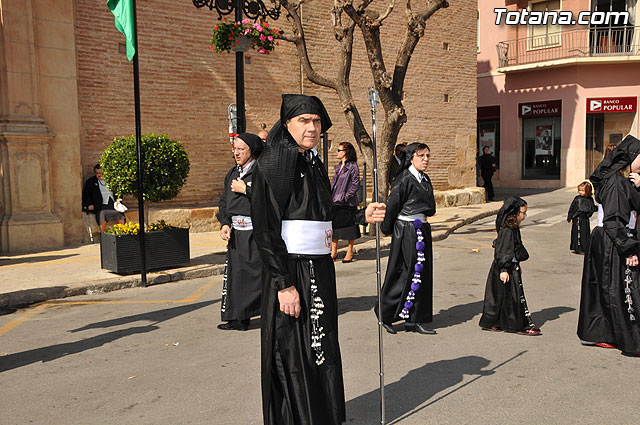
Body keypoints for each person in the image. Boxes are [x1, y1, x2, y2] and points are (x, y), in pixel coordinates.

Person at [250, 94, 385, 425]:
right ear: (287, 125)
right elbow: (265, 231)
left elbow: (325, 213)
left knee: (321, 347)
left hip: (320, 269)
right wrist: (283, 285)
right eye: (303, 120)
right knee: (293, 353)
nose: (312, 127)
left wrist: (361, 214)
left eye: (316, 121)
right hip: (291, 270)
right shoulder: (272, 166)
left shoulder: (314, 162)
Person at [578, 135, 640, 356]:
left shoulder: (622, 180)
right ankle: (607, 334)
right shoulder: (615, 182)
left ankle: (604, 333)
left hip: (613, 239)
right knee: (612, 289)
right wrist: (629, 248)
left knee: (608, 289)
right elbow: (614, 220)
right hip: (612, 240)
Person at [377, 143, 437, 335]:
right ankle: (385, 315)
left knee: (421, 274)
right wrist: (386, 228)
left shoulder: (425, 178)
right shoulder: (403, 179)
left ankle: (414, 318)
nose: (426, 159)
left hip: (422, 229)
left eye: (428, 156)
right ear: (411, 158)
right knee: (402, 272)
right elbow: (392, 205)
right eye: (421, 156)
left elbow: (431, 207)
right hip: (406, 230)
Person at [216, 133, 264, 331]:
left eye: (240, 149)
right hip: (237, 233)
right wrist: (225, 223)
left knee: (256, 277)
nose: (236, 153)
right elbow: (224, 201)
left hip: (256, 233)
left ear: (251, 150)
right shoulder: (232, 173)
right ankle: (238, 318)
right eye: (234, 149)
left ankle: (264, 312)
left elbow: (270, 199)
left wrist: (247, 190)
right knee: (237, 277)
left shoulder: (262, 172)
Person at [479, 197, 541, 336]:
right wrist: (504, 269)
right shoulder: (508, 230)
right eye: (523, 212)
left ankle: (496, 322)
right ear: (515, 213)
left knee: (502, 296)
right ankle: (516, 325)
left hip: (509, 265)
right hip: (505, 267)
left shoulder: (512, 228)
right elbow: (503, 250)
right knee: (513, 296)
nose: (525, 215)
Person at [330, 142, 361, 263]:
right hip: (335, 200)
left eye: (339, 150)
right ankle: (334, 251)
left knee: (350, 227)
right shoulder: (339, 166)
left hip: (348, 202)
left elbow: (355, 184)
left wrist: (345, 197)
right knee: (334, 227)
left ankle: (350, 251)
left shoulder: (352, 166)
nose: (337, 152)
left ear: (346, 152)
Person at [82, 164, 125, 233]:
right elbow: (87, 195)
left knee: (120, 214)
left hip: (112, 203)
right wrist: (89, 204)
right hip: (100, 205)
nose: (99, 175)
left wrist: (118, 199)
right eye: (97, 173)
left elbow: (119, 191)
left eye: (101, 173)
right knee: (102, 214)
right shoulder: (91, 182)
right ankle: (103, 235)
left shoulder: (112, 180)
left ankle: (120, 233)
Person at [566, 181, 597, 255]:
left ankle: (585, 247)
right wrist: (570, 217)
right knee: (578, 234)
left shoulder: (589, 199)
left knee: (585, 233)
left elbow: (591, 208)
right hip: (578, 219)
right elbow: (572, 208)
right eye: (579, 190)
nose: (580, 192)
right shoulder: (577, 199)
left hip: (585, 220)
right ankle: (578, 248)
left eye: (582, 190)